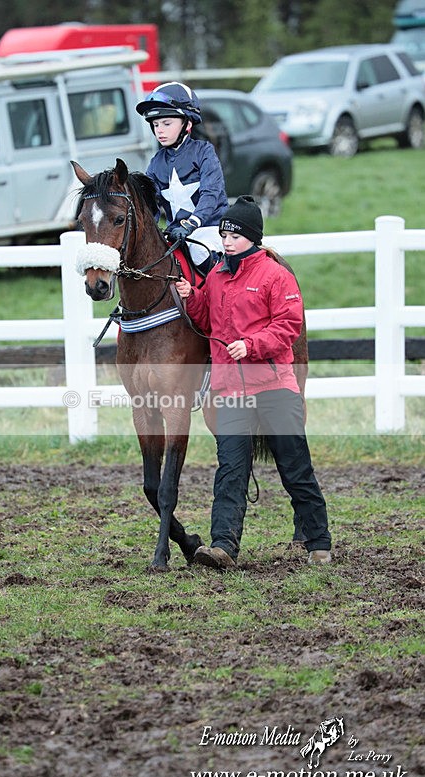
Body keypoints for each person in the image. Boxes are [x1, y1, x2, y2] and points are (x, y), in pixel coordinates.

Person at [174, 195, 332, 569]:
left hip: (275, 389)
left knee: (295, 469)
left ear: (253, 237)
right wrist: (191, 297)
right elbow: (208, 319)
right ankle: (223, 545)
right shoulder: (217, 275)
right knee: (229, 471)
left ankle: (318, 540)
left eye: (235, 235)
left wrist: (252, 345)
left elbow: (289, 326)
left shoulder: (276, 275)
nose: (226, 241)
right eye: (225, 234)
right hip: (230, 392)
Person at [136, 81, 228, 272]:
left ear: (187, 123)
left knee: (198, 252)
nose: (159, 130)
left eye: (167, 123)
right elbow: (149, 205)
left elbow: (211, 194)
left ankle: (218, 295)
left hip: (210, 230)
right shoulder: (155, 163)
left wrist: (191, 224)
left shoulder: (204, 152)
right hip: (177, 235)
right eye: (155, 124)